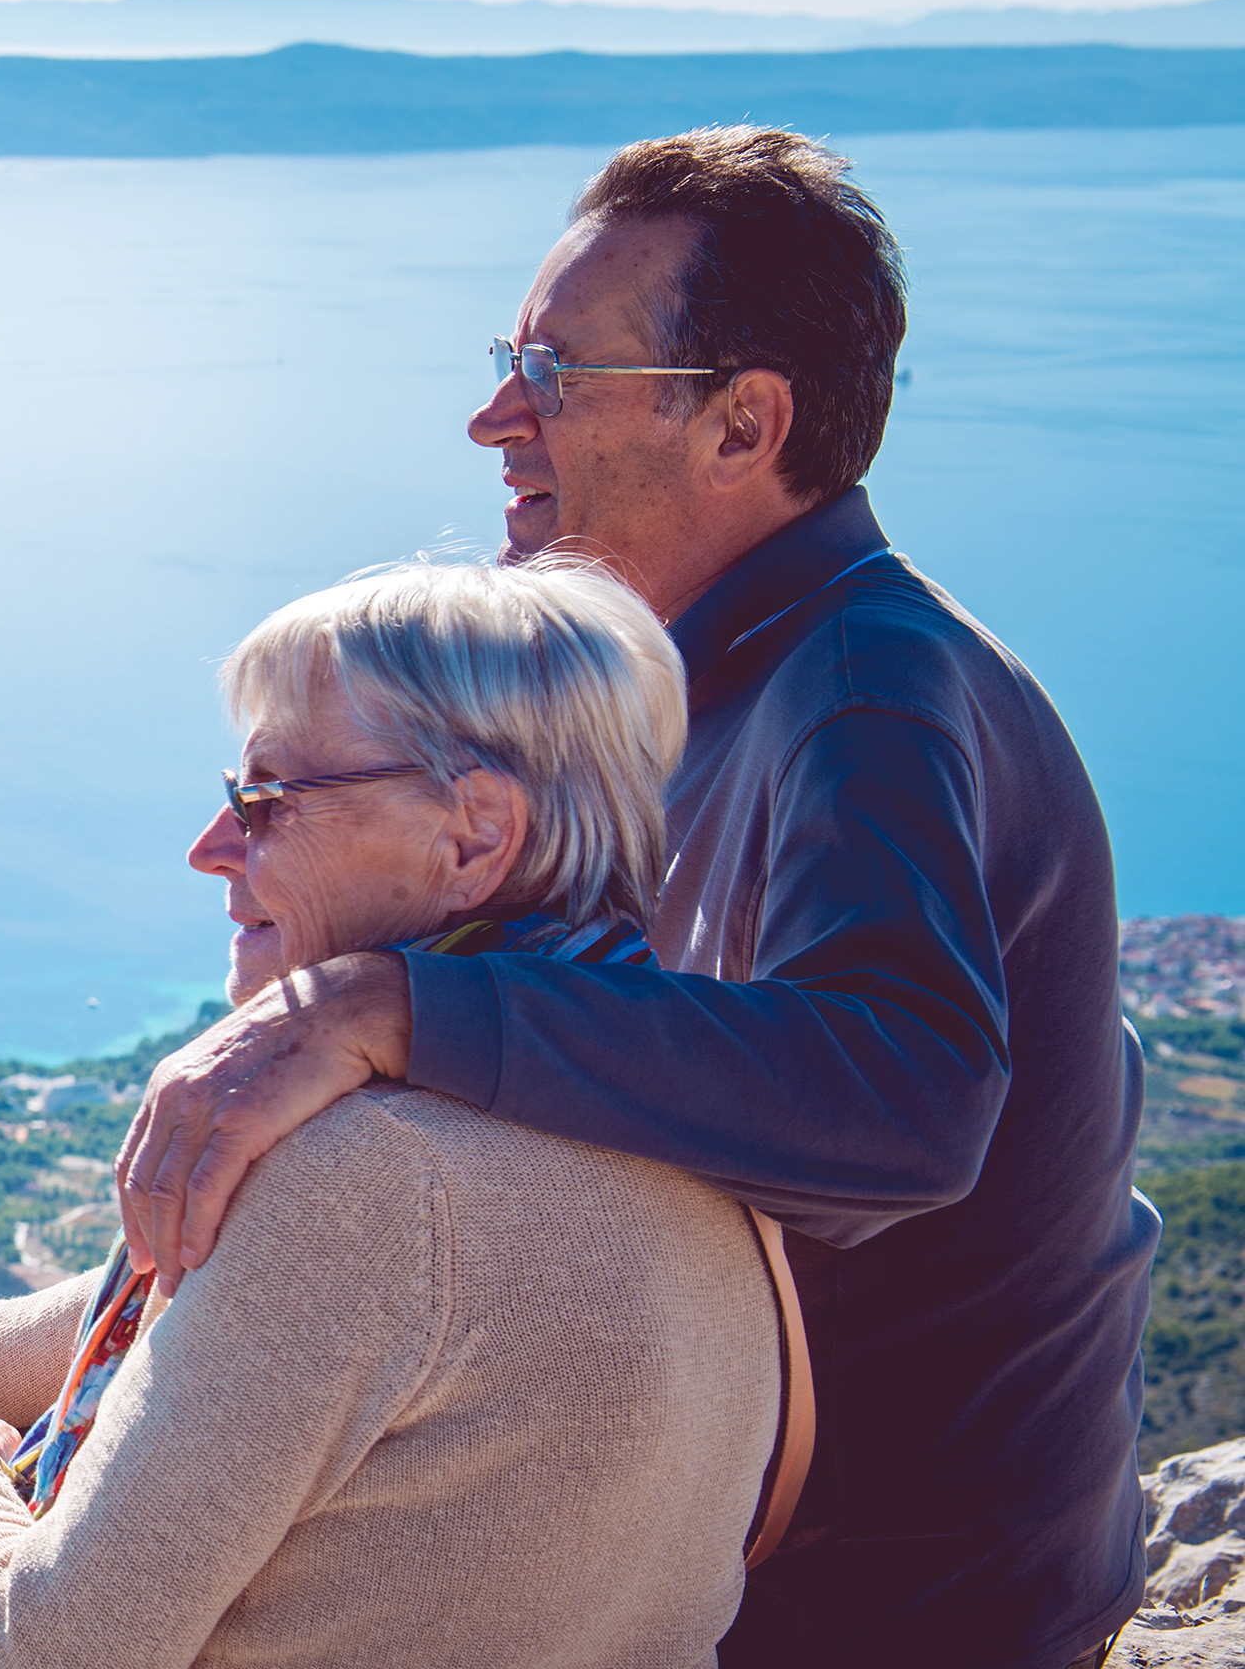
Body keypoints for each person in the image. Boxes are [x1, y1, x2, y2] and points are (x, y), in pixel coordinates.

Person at [113, 127, 1155, 1666]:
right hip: (787, 1547)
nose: (494, 418)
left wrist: (390, 1005)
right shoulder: (726, 680)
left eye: (553, 372)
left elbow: (908, 1103)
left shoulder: (865, 696)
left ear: (744, 423)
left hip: (882, 1611)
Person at [0, 559, 797, 1669]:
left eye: (266, 799)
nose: (210, 845)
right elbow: (206, 1329)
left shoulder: (371, 1180)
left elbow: (50, 1649)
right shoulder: (701, 1134)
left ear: (473, 833)